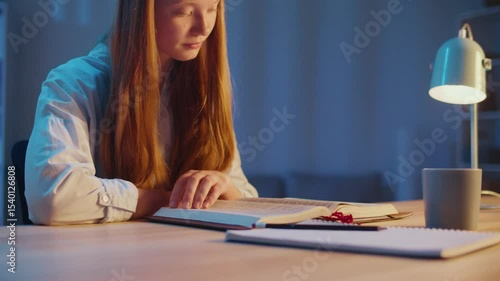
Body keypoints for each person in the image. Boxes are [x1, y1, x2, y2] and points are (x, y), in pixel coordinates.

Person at [25, 0, 258, 225]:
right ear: (142, 14)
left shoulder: (206, 90)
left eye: (212, 8)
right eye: (184, 12)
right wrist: (165, 200)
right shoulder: (73, 85)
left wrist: (223, 186)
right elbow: (51, 200)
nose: (204, 28)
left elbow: (249, 198)